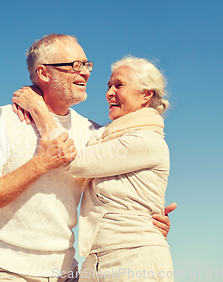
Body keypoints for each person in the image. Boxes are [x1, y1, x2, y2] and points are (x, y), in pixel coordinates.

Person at [0, 34, 174, 282]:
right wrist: (40, 164)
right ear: (43, 73)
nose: (85, 72)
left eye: (87, 65)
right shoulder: (1, 120)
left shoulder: (93, 132)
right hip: (8, 269)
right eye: (75, 65)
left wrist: (152, 221)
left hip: (67, 273)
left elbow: (130, 176)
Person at [12, 56, 174, 281]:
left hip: (135, 259)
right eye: (109, 86)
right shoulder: (106, 136)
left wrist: (38, 108)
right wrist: (43, 92)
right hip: (97, 262)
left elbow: (69, 158)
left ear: (146, 94)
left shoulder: (146, 140)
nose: (109, 93)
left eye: (119, 85)